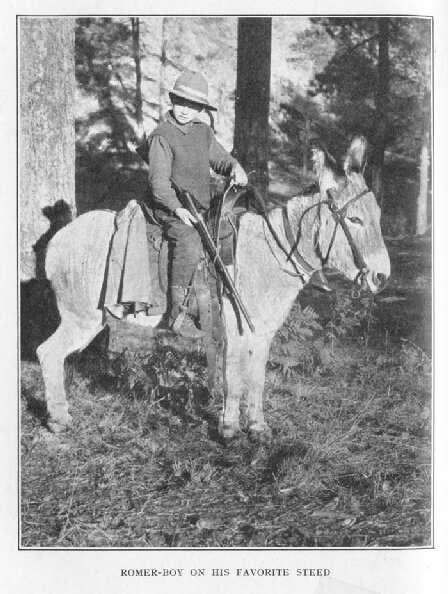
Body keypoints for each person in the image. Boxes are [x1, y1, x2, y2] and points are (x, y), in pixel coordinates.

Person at [147, 71, 248, 339]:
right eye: (181, 103)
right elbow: (159, 184)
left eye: (193, 106)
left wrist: (235, 167)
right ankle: (176, 312)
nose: (185, 110)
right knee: (190, 242)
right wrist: (177, 208)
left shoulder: (203, 132)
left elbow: (220, 158)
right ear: (172, 101)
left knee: (224, 236)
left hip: (200, 207)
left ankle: (212, 304)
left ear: (201, 109)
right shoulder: (162, 136)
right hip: (171, 210)